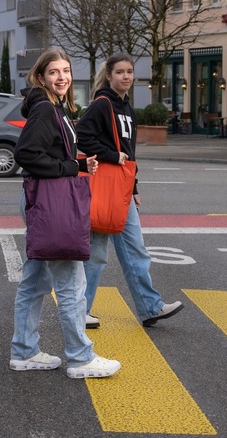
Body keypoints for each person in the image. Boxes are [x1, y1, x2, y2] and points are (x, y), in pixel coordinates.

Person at [10, 49, 120, 378]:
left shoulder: (53, 107)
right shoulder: (46, 109)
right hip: (51, 203)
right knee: (72, 281)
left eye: (66, 71)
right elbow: (26, 153)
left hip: (43, 203)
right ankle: (80, 357)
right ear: (41, 77)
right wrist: (72, 166)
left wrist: (79, 162)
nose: (62, 77)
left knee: (34, 281)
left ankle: (24, 351)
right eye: (54, 72)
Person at [76, 53, 183, 329]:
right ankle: (80, 310)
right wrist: (111, 155)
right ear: (109, 76)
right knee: (97, 254)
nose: (126, 76)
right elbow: (82, 136)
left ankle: (150, 307)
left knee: (136, 250)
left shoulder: (127, 109)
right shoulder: (102, 105)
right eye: (120, 72)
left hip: (121, 190)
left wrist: (134, 186)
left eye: (130, 72)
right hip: (104, 189)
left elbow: (130, 153)